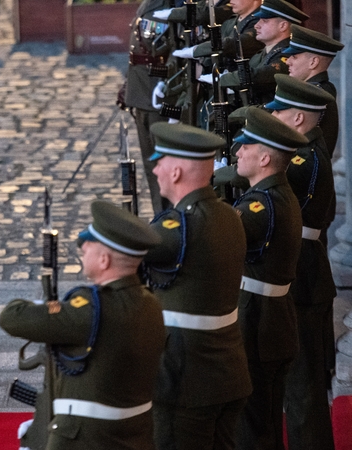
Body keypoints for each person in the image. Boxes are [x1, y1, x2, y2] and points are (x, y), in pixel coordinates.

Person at [0, 200, 165, 450]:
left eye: (91, 244)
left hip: (84, 439)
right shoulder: (150, 303)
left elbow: (12, 317)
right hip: (135, 436)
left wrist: (45, 306)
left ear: (104, 260)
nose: (83, 247)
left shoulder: (92, 309)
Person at [142, 123, 252, 450]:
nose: (156, 169)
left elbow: (115, 257)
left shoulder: (178, 227)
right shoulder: (228, 216)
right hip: (227, 371)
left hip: (187, 380)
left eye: (160, 162)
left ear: (176, 171)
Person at [264, 74, 337, 450]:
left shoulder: (302, 158)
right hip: (307, 268)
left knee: (303, 387)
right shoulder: (309, 148)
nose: (273, 116)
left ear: (297, 119)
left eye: (279, 111)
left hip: (304, 275)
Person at [229, 107, 308, 450]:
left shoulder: (261, 206)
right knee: (266, 421)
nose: (237, 152)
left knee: (252, 428)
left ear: (264, 159)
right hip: (272, 320)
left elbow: (216, 243)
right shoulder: (276, 195)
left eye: (246, 146)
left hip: (257, 322)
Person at [121, 0, 176, 215]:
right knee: (151, 164)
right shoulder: (149, 4)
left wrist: (167, 82)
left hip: (159, 97)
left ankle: (169, 217)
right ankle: (160, 215)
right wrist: (129, 86)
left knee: (163, 163)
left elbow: (178, 48)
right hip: (142, 92)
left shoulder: (171, 5)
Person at [206, 0, 308, 105]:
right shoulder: (260, 55)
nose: (256, 25)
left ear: (283, 26)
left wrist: (220, 79)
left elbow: (256, 77)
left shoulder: (290, 56)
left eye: (264, 21)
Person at [283, 24, 344, 158]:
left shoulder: (313, 94)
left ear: (313, 62)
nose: (288, 62)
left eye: (294, 56)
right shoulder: (320, 88)